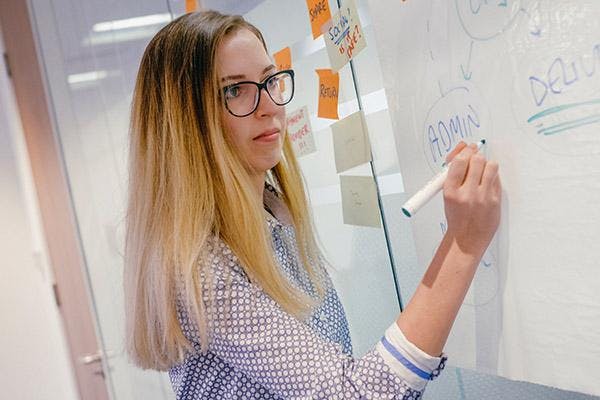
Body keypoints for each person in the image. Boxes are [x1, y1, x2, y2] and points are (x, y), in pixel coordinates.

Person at [124, 10, 501, 400]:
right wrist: (463, 243)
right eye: (234, 90)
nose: (269, 105)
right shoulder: (202, 268)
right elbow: (354, 395)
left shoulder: (273, 213)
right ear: (186, 123)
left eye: (270, 80)